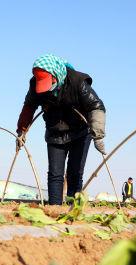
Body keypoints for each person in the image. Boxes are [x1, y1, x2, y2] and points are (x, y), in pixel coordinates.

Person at [15, 54, 107, 205]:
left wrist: (98, 135)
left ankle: (73, 208)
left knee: (74, 173)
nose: (46, 89)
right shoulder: (34, 85)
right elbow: (29, 107)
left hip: (80, 131)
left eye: (48, 83)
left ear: (56, 75)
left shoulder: (77, 81)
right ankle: (54, 208)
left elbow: (96, 106)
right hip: (55, 131)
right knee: (55, 174)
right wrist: (21, 131)